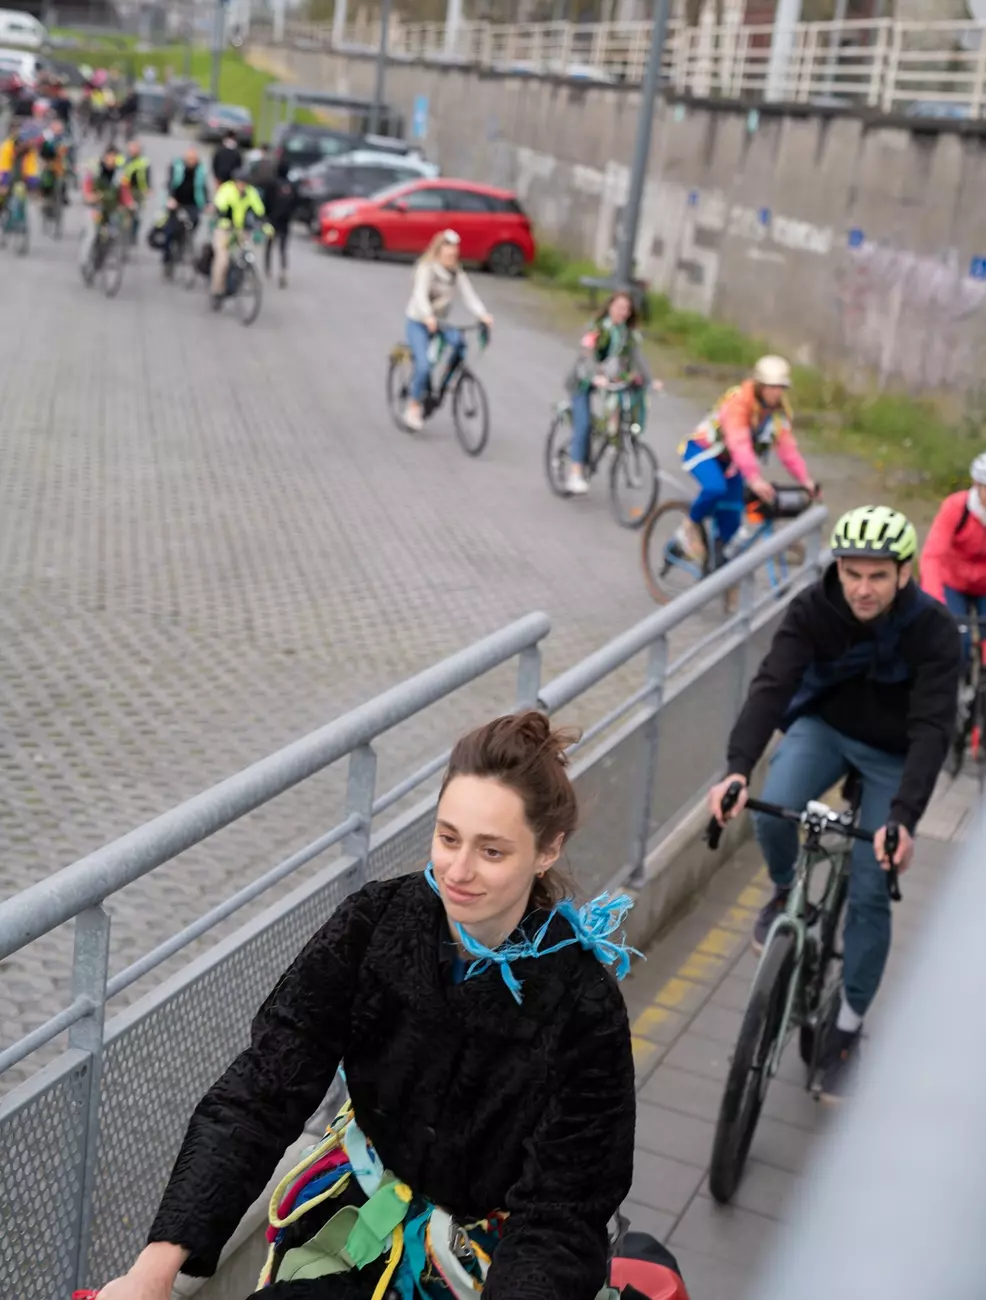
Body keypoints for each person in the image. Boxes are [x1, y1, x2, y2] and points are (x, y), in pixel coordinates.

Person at [92, 712, 637, 1300]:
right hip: (359, 1220)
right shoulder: (375, 923)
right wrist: (153, 1269)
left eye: (492, 852)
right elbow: (266, 1085)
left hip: (492, 1270)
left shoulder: (584, 1006)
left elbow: (561, 1214)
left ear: (547, 850)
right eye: (447, 837)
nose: (457, 871)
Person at [708, 505, 961, 1101]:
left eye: (878, 575)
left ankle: (847, 1031)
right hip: (825, 727)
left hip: (893, 754)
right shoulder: (812, 609)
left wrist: (902, 820)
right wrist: (736, 769)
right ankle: (783, 891)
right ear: (838, 569)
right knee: (776, 803)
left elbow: (932, 729)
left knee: (874, 887)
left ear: (905, 574)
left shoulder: (935, 631)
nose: (862, 588)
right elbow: (773, 684)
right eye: (852, 573)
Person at [676, 355, 817, 564]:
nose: (775, 392)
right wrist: (754, 478)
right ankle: (689, 526)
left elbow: (787, 449)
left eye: (780, 387)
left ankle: (718, 566)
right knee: (715, 488)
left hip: (731, 463)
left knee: (733, 515)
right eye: (770, 387)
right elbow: (739, 442)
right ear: (759, 385)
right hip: (703, 451)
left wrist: (805, 480)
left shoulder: (778, 413)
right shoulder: (739, 402)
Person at [564, 291, 663, 495]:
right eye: (619, 307)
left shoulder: (627, 334)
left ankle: (611, 441)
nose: (622, 312)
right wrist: (595, 375)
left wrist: (650, 381)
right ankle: (575, 473)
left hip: (609, 381)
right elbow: (587, 355)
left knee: (622, 408)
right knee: (583, 425)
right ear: (610, 306)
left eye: (626, 309)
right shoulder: (597, 328)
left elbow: (638, 358)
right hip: (583, 380)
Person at [404, 229, 493, 431]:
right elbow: (419, 295)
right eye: (448, 254)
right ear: (438, 252)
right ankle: (413, 405)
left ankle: (442, 387)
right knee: (424, 365)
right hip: (418, 321)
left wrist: (482, 315)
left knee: (460, 343)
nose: (452, 258)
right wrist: (427, 316)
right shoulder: (427, 268)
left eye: (455, 254)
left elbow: (469, 295)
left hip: (439, 322)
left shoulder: (456, 272)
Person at [920, 452, 986, 662]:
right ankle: (958, 688)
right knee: (956, 641)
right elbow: (932, 556)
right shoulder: (956, 508)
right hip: (953, 583)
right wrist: (934, 600)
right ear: (977, 485)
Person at [210, 168, 266, 305]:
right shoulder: (226, 189)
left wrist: (264, 224)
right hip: (225, 228)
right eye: (240, 183)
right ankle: (217, 290)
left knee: (246, 252)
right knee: (222, 260)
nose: (242, 186)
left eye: (245, 183)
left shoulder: (251, 192)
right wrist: (223, 216)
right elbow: (220, 205)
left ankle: (239, 277)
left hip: (240, 229)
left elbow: (259, 210)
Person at [79, 144, 134, 271]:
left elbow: (125, 191)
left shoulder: (120, 174)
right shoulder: (95, 170)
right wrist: (89, 196)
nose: (112, 159)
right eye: (110, 156)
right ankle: (84, 261)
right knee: (91, 233)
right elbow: (87, 187)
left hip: (111, 208)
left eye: (115, 157)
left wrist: (129, 203)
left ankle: (106, 256)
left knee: (113, 232)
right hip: (94, 206)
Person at [161, 145, 209, 274]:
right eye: (189, 159)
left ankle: (185, 241)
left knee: (195, 221)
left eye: (194, 159)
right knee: (169, 233)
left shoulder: (200, 170)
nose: (191, 161)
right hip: (177, 202)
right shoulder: (176, 167)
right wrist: (170, 199)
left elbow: (204, 188)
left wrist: (207, 203)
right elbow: (170, 183)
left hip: (192, 203)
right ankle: (167, 261)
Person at [261, 160, 298, 288]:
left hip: (272, 220)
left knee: (269, 245)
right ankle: (283, 270)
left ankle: (268, 269)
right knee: (283, 248)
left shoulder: (271, 184)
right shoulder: (291, 185)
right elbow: (295, 203)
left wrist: (265, 216)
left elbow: (265, 201)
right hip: (285, 221)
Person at [122, 137, 152, 242]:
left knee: (136, 215)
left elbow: (148, 176)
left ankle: (133, 235)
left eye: (136, 147)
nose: (133, 149)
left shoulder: (144, 162)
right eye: (131, 147)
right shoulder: (122, 159)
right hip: (124, 190)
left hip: (138, 191)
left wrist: (148, 189)